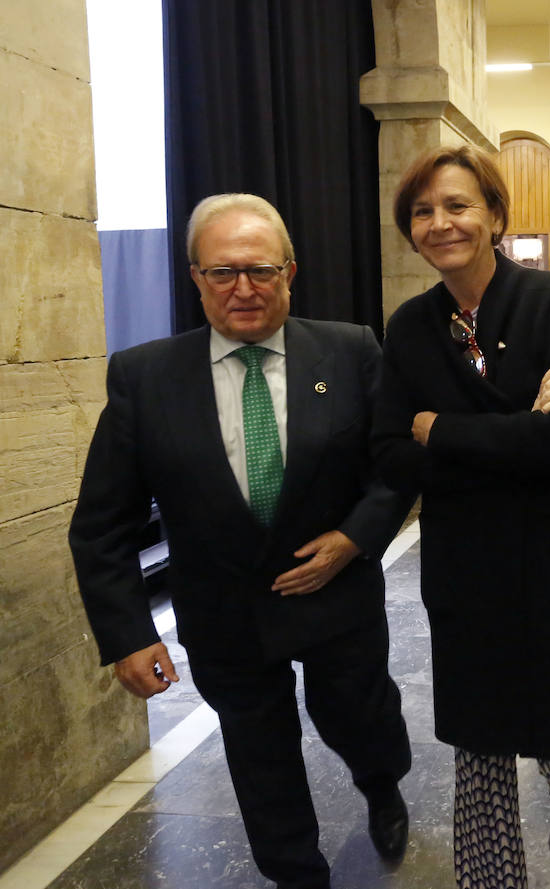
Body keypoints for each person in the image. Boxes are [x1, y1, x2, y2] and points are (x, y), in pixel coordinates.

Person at [69, 194, 414, 889]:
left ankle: (382, 785)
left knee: (360, 719)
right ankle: (296, 872)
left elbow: (396, 469)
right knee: (260, 753)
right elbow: (103, 521)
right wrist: (128, 633)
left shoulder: (350, 350)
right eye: (222, 273)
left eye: (260, 270)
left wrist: (353, 539)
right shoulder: (144, 376)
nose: (244, 289)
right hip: (224, 612)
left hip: (337, 599)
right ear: (195, 277)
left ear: (291, 271)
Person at [372, 146, 550, 888]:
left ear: (494, 215)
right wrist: (518, 429)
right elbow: (391, 451)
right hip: (470, 579)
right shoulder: (410, 326)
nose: (440, 223)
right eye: (422, 211)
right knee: (480, 767)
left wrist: (444, 430)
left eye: (457, 205)